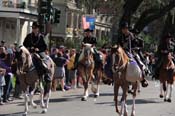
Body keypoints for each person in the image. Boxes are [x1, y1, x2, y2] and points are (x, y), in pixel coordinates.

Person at [119, 22, 148, 87]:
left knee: (137, 62)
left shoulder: (131, 35)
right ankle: (112, 77)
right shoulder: (121, 36)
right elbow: (119, 44)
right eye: (122, 29)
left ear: (127, 29)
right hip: (123, 52)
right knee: (115, 60)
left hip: (131, 52)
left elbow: (135, 44)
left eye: (124, 29)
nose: (123, 30)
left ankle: (143, 79)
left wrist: (134, 48)